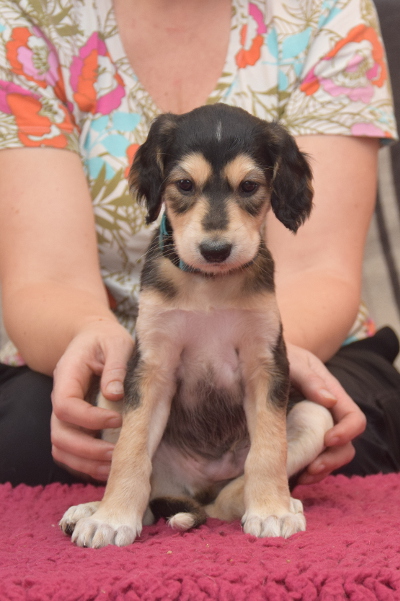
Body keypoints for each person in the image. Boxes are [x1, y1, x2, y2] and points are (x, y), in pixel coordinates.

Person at [0, 0, 399, 487]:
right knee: (26, 435)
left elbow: (319, 270)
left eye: (248, 187)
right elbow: (45, 278)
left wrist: (260, 356)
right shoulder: (32, 13)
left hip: (295, 341)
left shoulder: (324, 9)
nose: (215, 235)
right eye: (184, 186)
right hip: (133, 348)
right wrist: (98, 342)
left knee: (342, 434)